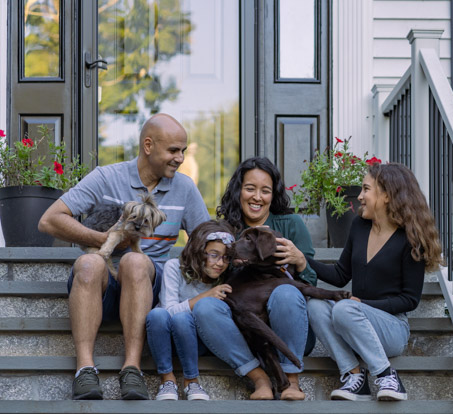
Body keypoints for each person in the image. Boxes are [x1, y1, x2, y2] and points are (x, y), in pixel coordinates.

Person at [38, 114, 210, 400]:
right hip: (101, 287)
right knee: (89, 262)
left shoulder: (185, 188)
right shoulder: (107, 177)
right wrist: (105, 239)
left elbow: (205, 241)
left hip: (144, 283)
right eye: (173, 150)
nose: (180, 158)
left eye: (183, 150)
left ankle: (132, 369)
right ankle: (85, 369)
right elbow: (49, 220)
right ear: (148, 145)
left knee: (135, 261)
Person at [305, 162, 443, 401]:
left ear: (387, 195)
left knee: (346, 309)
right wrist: (302, 261)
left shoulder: (410, 239)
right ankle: (354, 376)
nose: (359, 196)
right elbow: (340, 275)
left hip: (392, 328)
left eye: (366, 189)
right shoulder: (359, 226)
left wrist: (362, 305)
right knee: (315, 305)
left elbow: (409, 300)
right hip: (353, 317)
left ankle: (386, 375)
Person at [192, 156, 315, 400]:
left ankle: (290, 380)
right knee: (205, 307)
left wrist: (300, 261)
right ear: (239, 191)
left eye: (265, 191)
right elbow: (208, 279)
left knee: (286, 292)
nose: (257, 197)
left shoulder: (290, 225)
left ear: (273, 194)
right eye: (250, 188)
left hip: (287, 327)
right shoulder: (224, 230)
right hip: (243, 331)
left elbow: (311, 285)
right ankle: (259, 379)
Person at [146, 220, 235, 401]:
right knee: (157, 314)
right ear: (198, 251)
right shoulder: (174, 267)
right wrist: (205, 296)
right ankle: (167, 379)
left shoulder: (226, 279)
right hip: (164, 338)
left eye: (226, 257)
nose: (220, 263)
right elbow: (168, 310)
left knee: (182, 319)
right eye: (214, 255)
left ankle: (191, 381)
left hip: (199, 341)